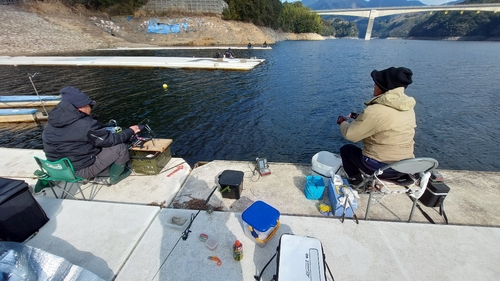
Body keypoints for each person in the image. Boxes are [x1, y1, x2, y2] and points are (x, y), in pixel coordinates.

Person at [42, 86, 141, 185]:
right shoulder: (86, 124)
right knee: (121, 148)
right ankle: (116, 176)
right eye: (90, 105)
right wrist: (130, 131)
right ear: (81, 107)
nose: (91, 108)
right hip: (79, 171)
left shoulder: (52, 121)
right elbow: (110, 140)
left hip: (56, 168)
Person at [337, 66, 416, 185]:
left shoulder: (375, 110)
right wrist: (359, 118)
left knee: (346, 150)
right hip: (406, 166)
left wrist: (342, 122)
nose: (374, 85)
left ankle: (356, 182)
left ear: (385, 87)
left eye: (377, 83)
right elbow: (386, 125)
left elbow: (350, 135)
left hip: (382, 168)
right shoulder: (408, 108)